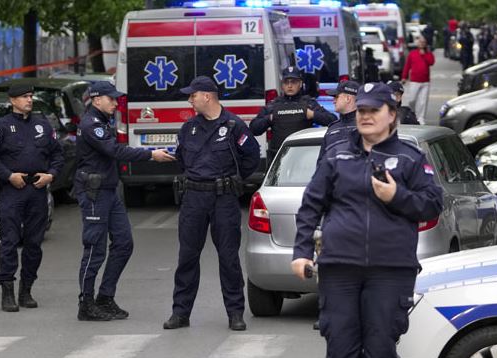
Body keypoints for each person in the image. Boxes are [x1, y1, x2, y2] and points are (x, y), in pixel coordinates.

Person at [291, 82, 443, 358]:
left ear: (392, 114)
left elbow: (432, 204)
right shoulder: (336, 154)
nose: (366, 116)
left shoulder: (410, 158)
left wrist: (397, 196)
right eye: (361, 109)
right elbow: (311, 205)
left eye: (374, 110)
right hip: (339, 270)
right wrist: (301, 251)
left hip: (390, 272)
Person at [163, 76, 260, 331]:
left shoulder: (234, 126)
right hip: (194, 198)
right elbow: (182, 159)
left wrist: (232, 180)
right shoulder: (189, 128)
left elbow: (251, 157)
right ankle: (180, 313)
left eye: (192, 95)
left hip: (223, 198)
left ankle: (235, 313)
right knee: (187, 256)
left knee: (228, 258)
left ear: (207, 96)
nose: (189, 100)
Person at [74, 81, 175, 321]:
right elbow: (115, 151)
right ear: (97, 100)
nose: (116, 103)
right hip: (95, 192)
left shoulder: (103, 120)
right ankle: (86, 303)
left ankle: (105, 297)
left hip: (109, 190)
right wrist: (150, 154)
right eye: (111, 99)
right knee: (95, 249)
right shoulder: (91, 124)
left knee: (123, 243)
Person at [0, 84, 64, 313]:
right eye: (24, 96)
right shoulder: (1, 125)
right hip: (12, 190)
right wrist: (8, 175)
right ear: (12, 100)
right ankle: (7, 290)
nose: (29, 100)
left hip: (37, 189)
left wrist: (51, 175)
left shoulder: (42, 124)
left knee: (34, 243)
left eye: (31, 96)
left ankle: (26, 289)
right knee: (9, 241)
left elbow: (57, 154)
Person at [250, 66, 336, 162]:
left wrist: (313, 115)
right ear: (282, 85)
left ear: (300, 84)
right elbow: (254, 129)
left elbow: (332, 120)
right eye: (286, 82)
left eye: (293, 82)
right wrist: (269, 118)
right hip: (279, 158)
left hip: (304, 156)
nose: (290, 86)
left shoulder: (309, 103)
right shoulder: (273, 105)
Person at [316, 80, 360, 165]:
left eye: (336, 97)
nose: (333, 101)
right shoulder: (332, 128)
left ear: (348, 98)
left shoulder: (365, 127)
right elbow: (321, 163)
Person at [401, 37, 434, 125]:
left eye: (424, 42)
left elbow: (431, 62)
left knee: (423, 101)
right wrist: (404, 77)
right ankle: (412, 115)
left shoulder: (428, 53)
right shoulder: (412, 53)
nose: (422, 43)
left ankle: (421, 118)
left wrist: (424, 55)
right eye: (420, 42)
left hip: (425, 81)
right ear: (417, 43)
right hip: (414, 81)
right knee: (412, 99)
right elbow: (407, 66)